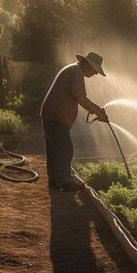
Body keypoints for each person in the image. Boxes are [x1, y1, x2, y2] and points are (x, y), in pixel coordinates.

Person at [40, 52, 108, 191]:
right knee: (64, 149)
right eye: (95, 70)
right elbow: (81, 99)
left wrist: (97, 109)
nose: (95, 74)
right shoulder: (76, 72)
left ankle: (55, 181)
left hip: (52, 115)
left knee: (55, 149)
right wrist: (98, 114)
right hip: (56, 116)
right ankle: (64, 182)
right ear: (88, 65)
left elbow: (80, 98)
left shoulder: (73, 70)